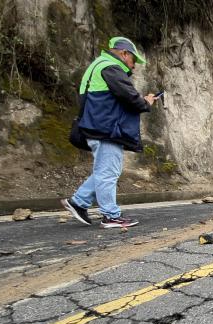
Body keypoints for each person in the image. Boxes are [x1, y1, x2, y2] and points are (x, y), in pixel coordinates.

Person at [61, 37, 158, 228]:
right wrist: (146, 102)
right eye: (133, 61)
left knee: (104, 170)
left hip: (98, 126)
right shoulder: (111, 67)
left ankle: (78, 202)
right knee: (108, 173)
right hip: (106, 129)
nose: (134, 66)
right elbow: (130, 97)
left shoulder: (99, 65)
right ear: (124, 53)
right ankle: (111, 216)